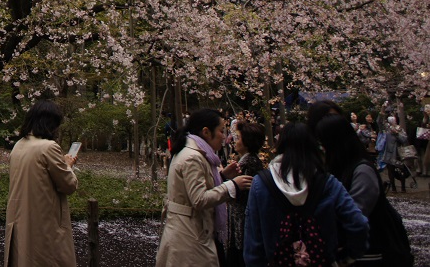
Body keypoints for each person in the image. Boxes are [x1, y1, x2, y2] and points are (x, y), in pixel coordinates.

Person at [243, 122, 368, 266]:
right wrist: (347, 256)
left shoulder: (261, 183)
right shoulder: (328, 183)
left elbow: (253, 240)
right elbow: (359, 224)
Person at [155, 108, 252, 267]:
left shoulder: (194, 153)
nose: (224, 136)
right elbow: (198, 199)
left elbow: (190, 190)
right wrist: (232, 185)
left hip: (187, 231)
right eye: (221, 131)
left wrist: (221, 177)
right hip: (189, 236)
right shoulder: (193, 157)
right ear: (206, 132)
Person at [4, 100, 79, 267]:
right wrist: (68, 165)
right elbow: (69, 184)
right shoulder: (48, 147)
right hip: (44, 224)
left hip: (20, 221)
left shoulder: (19, 145)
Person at [315, 114, 385, 263]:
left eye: (323, 143)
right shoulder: (339, 167)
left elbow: (355, 214)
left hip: (366, 253)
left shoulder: (362, 171)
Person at [226, 122, 265, 267]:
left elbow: (239, 194)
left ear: (247, 142)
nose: (236, 141)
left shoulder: (248, 164)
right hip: (239, 221)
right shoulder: (247, 162)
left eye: (239, 138)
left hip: (241, 222)